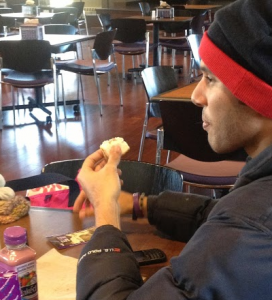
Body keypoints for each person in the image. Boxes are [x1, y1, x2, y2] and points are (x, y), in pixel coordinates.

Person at [73, 0, 272, 299]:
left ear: (256, 94)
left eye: (211, 78)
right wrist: (139, 205)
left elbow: (242, 228)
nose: (196, 95)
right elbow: (224, 218)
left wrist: (105, 213)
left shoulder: (254, 227)